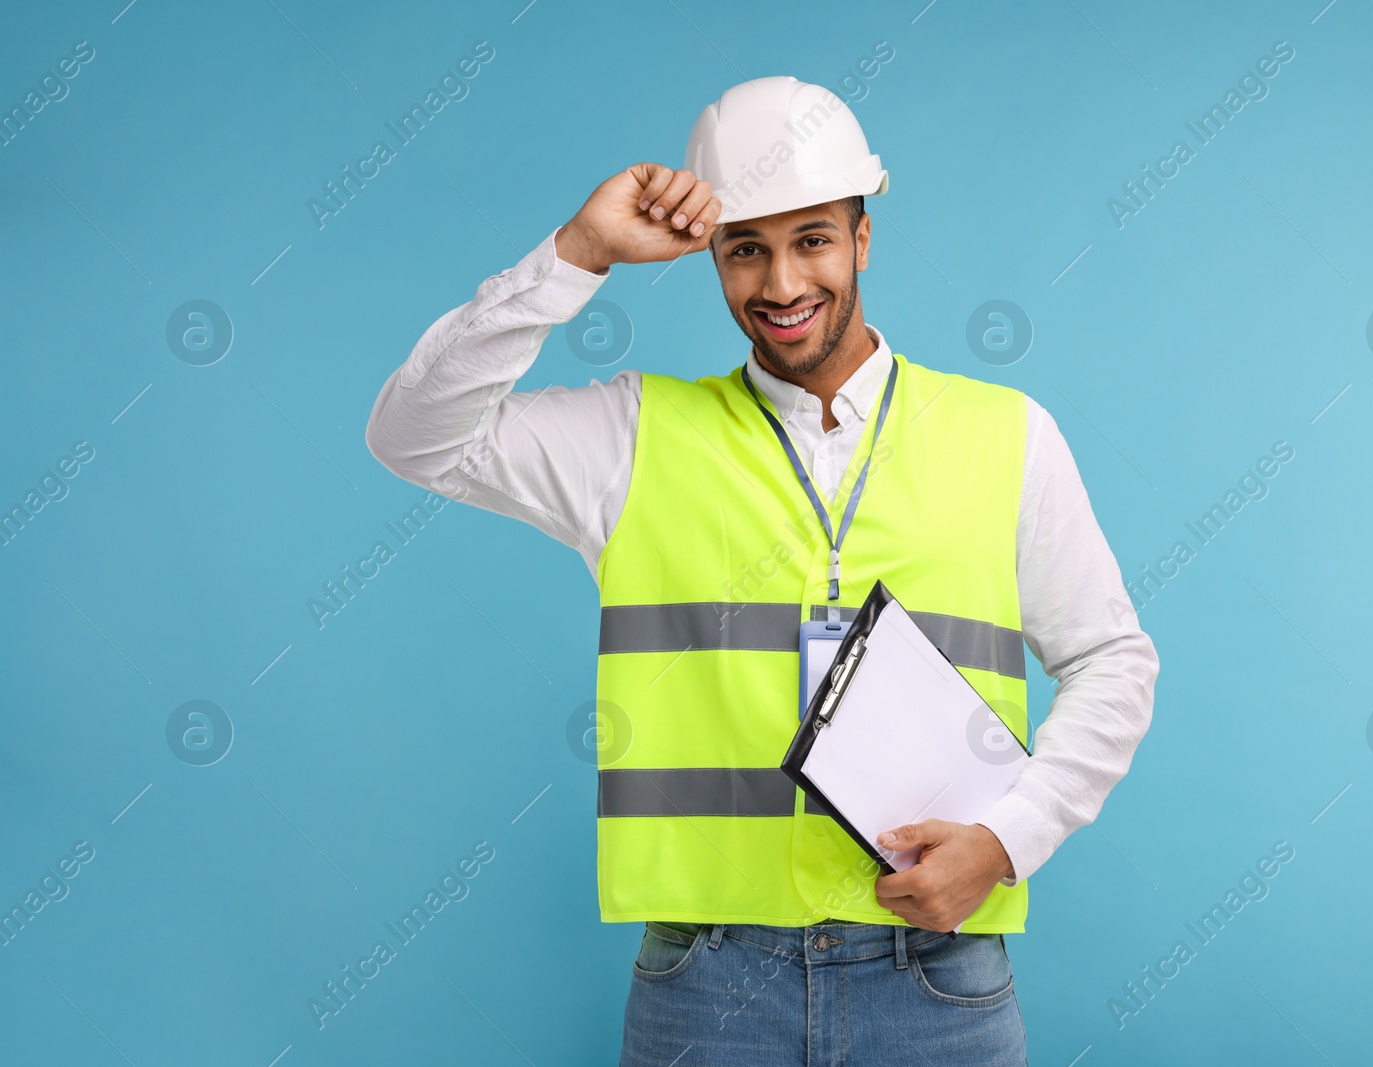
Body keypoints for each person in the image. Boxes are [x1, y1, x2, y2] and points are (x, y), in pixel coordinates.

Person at [366, 75, 1158, 1066]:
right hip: (706, 985)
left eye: (812, 239)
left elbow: (1112, 660)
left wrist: (1009, 840)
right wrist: (578, 255)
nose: (780, 283)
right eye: (746, 248)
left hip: (935, 973)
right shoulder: (633, 435)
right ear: (710, 256)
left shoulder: (1007, 435)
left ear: (862, 238)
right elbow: (413, 436)